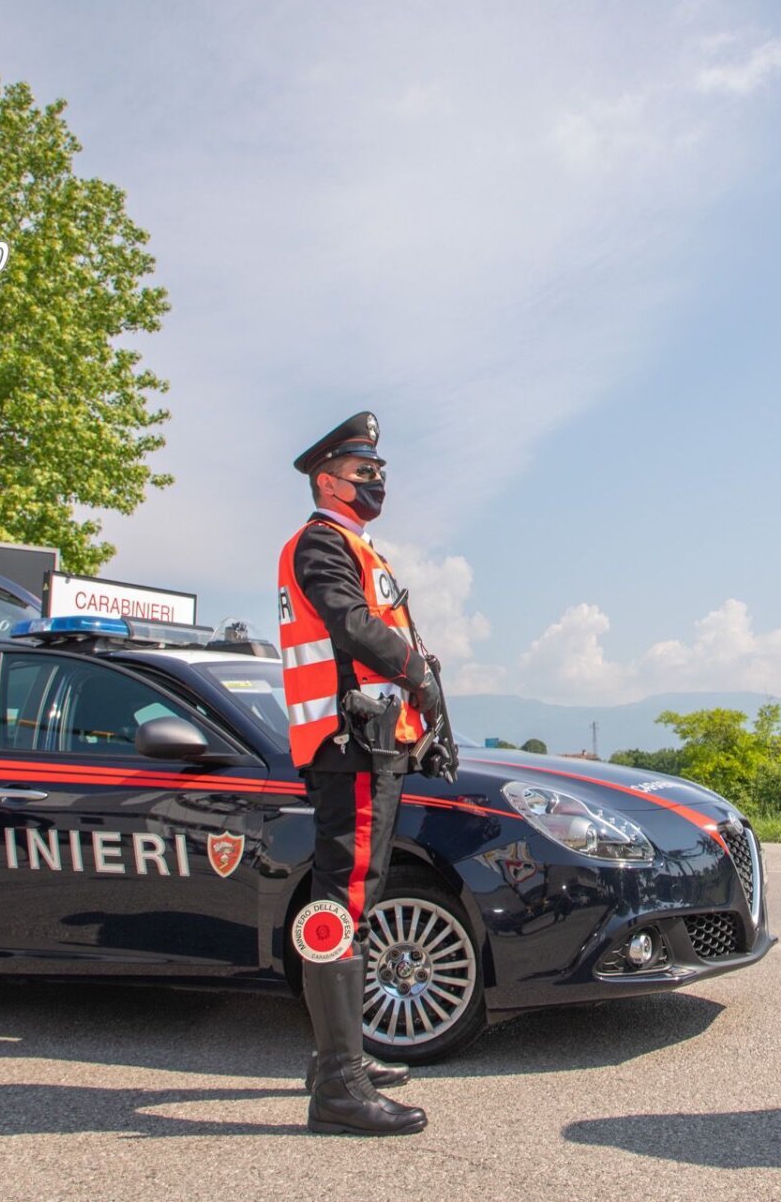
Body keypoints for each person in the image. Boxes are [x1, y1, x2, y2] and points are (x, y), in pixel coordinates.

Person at [276, 411, 458, 1137]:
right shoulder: (320, 542)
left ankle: (335, 1060)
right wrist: (417, 674)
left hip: (373, 740)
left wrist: (430, 716)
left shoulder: (358, 545)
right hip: (346, 742)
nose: (376, 483)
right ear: (327, 479)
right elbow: (351, 626)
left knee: (357, 895)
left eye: (381, 474)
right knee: (342, 902)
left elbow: (387, 634)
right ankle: (340, 1087)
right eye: (363, 474)